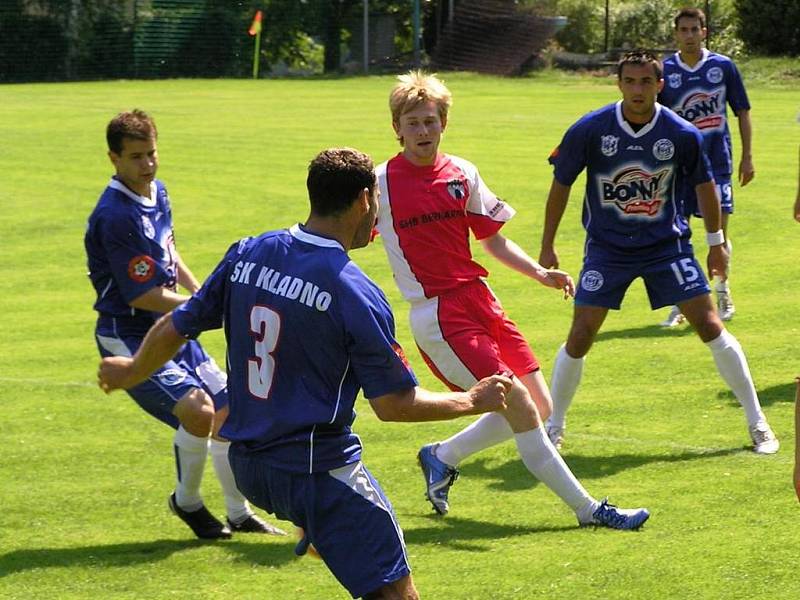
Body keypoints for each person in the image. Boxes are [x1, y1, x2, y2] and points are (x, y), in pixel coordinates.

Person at [98, 146, 516, 599]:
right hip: (317, 472)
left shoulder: (249, 253)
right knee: (397, 595)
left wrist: (133, 369)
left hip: (250, 468)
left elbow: (179, 324)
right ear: (363, 200)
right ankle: (319, 521)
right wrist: (472, 400)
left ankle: (316, 525)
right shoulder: (354, 292)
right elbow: (395, 405)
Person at [374, 70, 650, 530]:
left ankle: (441, 456)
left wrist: (540, 272)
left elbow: (493, 241)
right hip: (440, 315)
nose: (423, 131)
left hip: (481, 300)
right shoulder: (380, 183)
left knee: (539, 407)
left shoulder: (462, 172)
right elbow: (348, 233)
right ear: (397, 128)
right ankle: (589, 511)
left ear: (444, 122)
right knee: (517, 403)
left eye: (430, 121)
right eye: (413, 123)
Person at [538, 50, 779, 455]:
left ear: (660, 85)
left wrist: (716, 244)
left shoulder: (682, 132)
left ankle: (758, 423)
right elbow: (561, 183)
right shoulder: (591, 129)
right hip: (607, 248)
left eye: (646, 82)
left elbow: (705, 186)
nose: (637, 90)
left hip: (667, 247)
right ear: (618, 84)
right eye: (629, 81)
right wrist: (547, 243)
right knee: (580, 335)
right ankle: (554, 426)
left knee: (709, 325)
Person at [85, 109, 284, 539]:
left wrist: (202, 296)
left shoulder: (158, 192)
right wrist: (208, 308)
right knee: (198, 411)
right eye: (136, 157)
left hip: (173, 324)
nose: (148, 164)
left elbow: (169, 256)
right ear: (113, 158)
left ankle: (238, 512)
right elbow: (141, 294)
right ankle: (187, 502)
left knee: (230, 407)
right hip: (130, 333)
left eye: (152, 153)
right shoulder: (115, 216)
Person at [657, 7, 754, 326]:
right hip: (678, 169)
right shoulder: (665, 70)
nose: (688, 35)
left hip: (717, 166)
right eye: (682, 30)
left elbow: (741, 111)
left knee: (719, 234)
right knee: (677, 236)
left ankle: (723, 291)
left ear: (704, 32)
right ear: (676, 34)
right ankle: (681, 302)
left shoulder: (723, 66)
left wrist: (747, 156)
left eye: (693, 29)